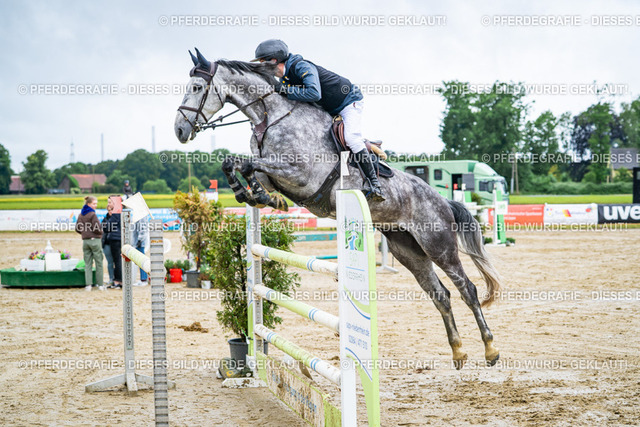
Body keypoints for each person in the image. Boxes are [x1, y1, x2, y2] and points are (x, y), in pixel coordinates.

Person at [251, 39, 385, 201]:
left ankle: (375, 184)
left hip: (348, 102)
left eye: (262, 62)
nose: (261, 66)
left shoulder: (301, 67)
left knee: (351, 138)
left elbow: (314, 93)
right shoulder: (285, 78)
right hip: (327, 106)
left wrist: (285, 90)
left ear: (274, 60)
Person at [75, 195, 104, 291]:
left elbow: (77, 228)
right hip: (95, 240)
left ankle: (88, 285)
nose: (96, 205)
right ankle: (100, 285)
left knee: (88, 264)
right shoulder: (92, 214)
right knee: (99, 263)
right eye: (94, 204)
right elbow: (97, 228)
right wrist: (101, 233)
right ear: (88, 204)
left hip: (85, 241)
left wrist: (85, 233)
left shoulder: (81, 215)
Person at [102, 196, 122, 289]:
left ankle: (118, 281)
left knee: (117, 261)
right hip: (118, 238)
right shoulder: (120, 212)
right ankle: (118, 280)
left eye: (110, 202)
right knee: (118, 260)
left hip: (115, 239)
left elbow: (107, 227)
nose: (108, 204)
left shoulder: (115, 214)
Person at [131, 215, 149, 286]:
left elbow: (143, 228)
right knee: (140, 260)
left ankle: (144, 279)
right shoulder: (138, 215)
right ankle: (143, 278)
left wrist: (140, 239)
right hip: (137, 241)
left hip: (140, 242)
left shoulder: (141, 216)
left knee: (141, 261)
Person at [101, 202, 115, 287]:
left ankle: (117, 279)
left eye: (112, 210)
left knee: (117, 262)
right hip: (107, 243)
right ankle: (111, 278)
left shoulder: (117, 219)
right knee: (110, 262)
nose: (111, 212)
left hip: (115, 243)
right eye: (109, 210)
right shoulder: (105, 219)